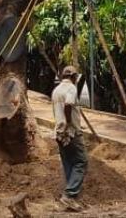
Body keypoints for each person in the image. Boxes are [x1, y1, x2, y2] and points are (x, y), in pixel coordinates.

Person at [52, 66, 88, 212]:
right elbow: (68, 104)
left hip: (58, 132)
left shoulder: (56, 90)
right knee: (81, 161)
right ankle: (69, 195)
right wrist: (69, 123)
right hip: (70, 132)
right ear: (73, 76)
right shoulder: (71, 88)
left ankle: (69, 197)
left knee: (68, 162)